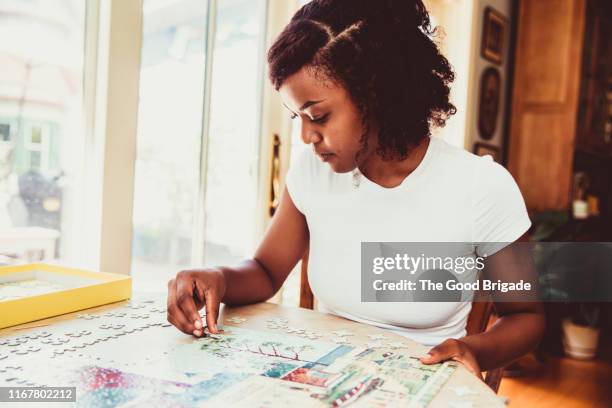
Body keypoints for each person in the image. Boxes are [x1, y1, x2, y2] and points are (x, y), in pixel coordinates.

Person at [167, 0, 544, 379]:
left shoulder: (482, 187)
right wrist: (218, 277)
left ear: (376, 96)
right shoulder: (312, 173)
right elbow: (266, 271)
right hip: (325, 382)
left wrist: (470, 348)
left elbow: (525, 317)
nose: (305, 136)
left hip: (422, 385)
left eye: (318, 116)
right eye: (297, 117)